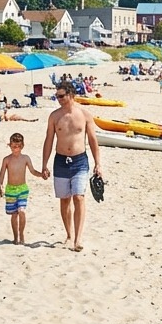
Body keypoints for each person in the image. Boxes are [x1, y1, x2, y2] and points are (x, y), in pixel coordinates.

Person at [42, 82, 104, 251]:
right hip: (61, 161)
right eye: (57, 96)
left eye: (61, 96)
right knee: (64, 200)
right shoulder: (54, 116)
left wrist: (98, 163)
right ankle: (68, 234)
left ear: (71, 95)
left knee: (79, 197)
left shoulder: (85, 114)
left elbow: (92, 140)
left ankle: (78, 239)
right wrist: (44, 164)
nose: (59, 99)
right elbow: (49, 139)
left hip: (79, 161)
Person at [0, 132, 41, 245]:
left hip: (22, 189)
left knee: (21, 211)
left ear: (22, 146)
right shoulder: (6, 160)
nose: (16, 149)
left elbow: (32, 171)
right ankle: (15, 237)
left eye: (18, 146)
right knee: (14, 214)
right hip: (10, 190)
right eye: (14, 147)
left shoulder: (25, 158)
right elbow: (2, 173)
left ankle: (21, 233)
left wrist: (41, 175)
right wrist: (0, 185)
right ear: (10, 145)